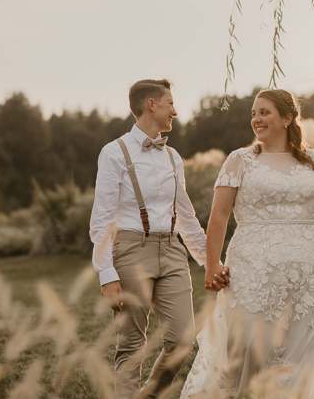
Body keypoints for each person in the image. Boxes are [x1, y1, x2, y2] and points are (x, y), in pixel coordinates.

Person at [181, 88, 314, 398]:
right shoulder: (240, 160)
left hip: (309, 273)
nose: (256, 119)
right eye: (254, 114)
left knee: (299, 352)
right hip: (253, 271)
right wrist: (213, 264)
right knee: (246, 348)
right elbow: (218, 215)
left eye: (264, 112)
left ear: (287, 118)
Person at [89, 79, 229, 399]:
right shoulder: (114, 153)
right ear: (152, 104)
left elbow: (187, 217)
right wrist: (107, 274)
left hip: (172, 251)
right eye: (170, 104)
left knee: (182, 340)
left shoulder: (173, 157)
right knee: (131, 345)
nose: (175, 112)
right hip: (129, 249)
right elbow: (101, 222)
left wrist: (211, 263)